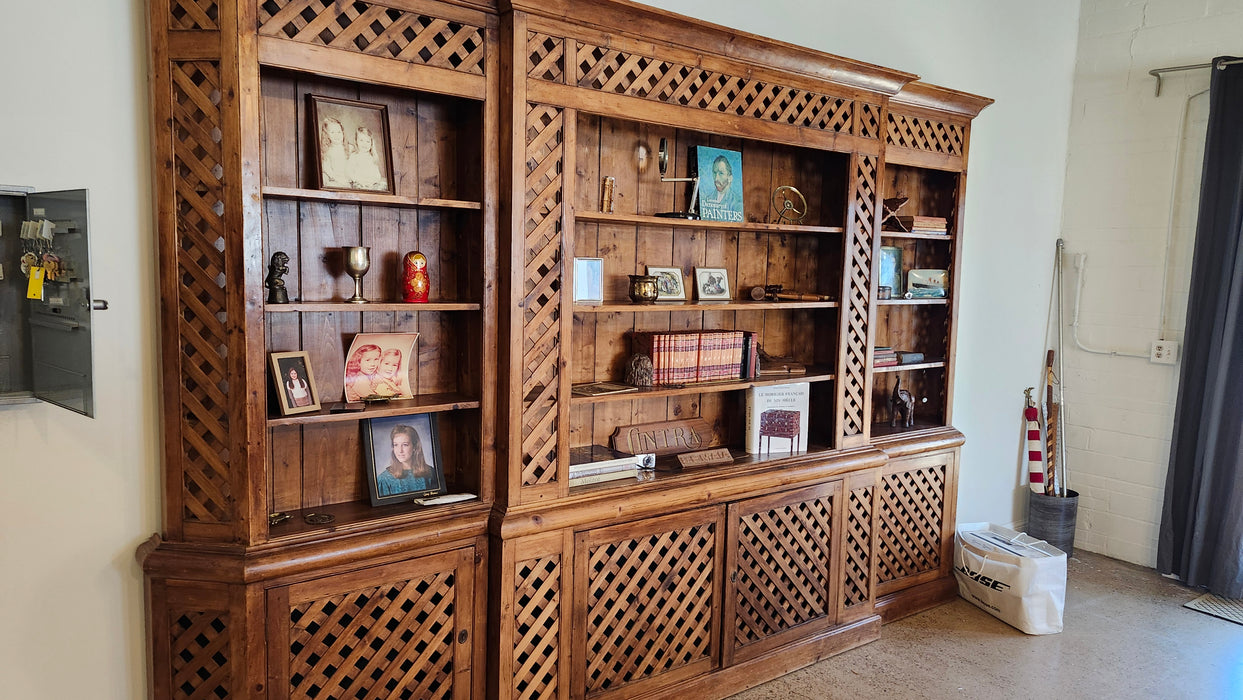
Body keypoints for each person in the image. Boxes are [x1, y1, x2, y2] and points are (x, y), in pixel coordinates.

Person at [376, 424, 435, 496]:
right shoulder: (384, 479)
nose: (400, 450)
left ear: (414, 447)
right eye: (396, 445)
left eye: (405, 445)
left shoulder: (430, 472)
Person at [348, 126, 388, 191]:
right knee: (358, 188)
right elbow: (349, 171)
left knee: (384, 185)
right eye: (361, 140)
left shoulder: (371, 157)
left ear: (371, 143)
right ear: (356, 141)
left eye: (368, 141)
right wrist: (359, 180)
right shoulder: (354, 156)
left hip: (371, 183)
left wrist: (373, 181)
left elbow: (376, 174)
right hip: (359, 183)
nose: (365, 144)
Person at [319, 117, 352, 188]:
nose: (336, 135)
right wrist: (338, 180)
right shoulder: (327, 151)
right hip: (336, 180)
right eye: (332, 132)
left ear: (343, 132)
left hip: (350, 179)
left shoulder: (350, 148)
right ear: (327, 135)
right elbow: (327, 169)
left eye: (339, 132)